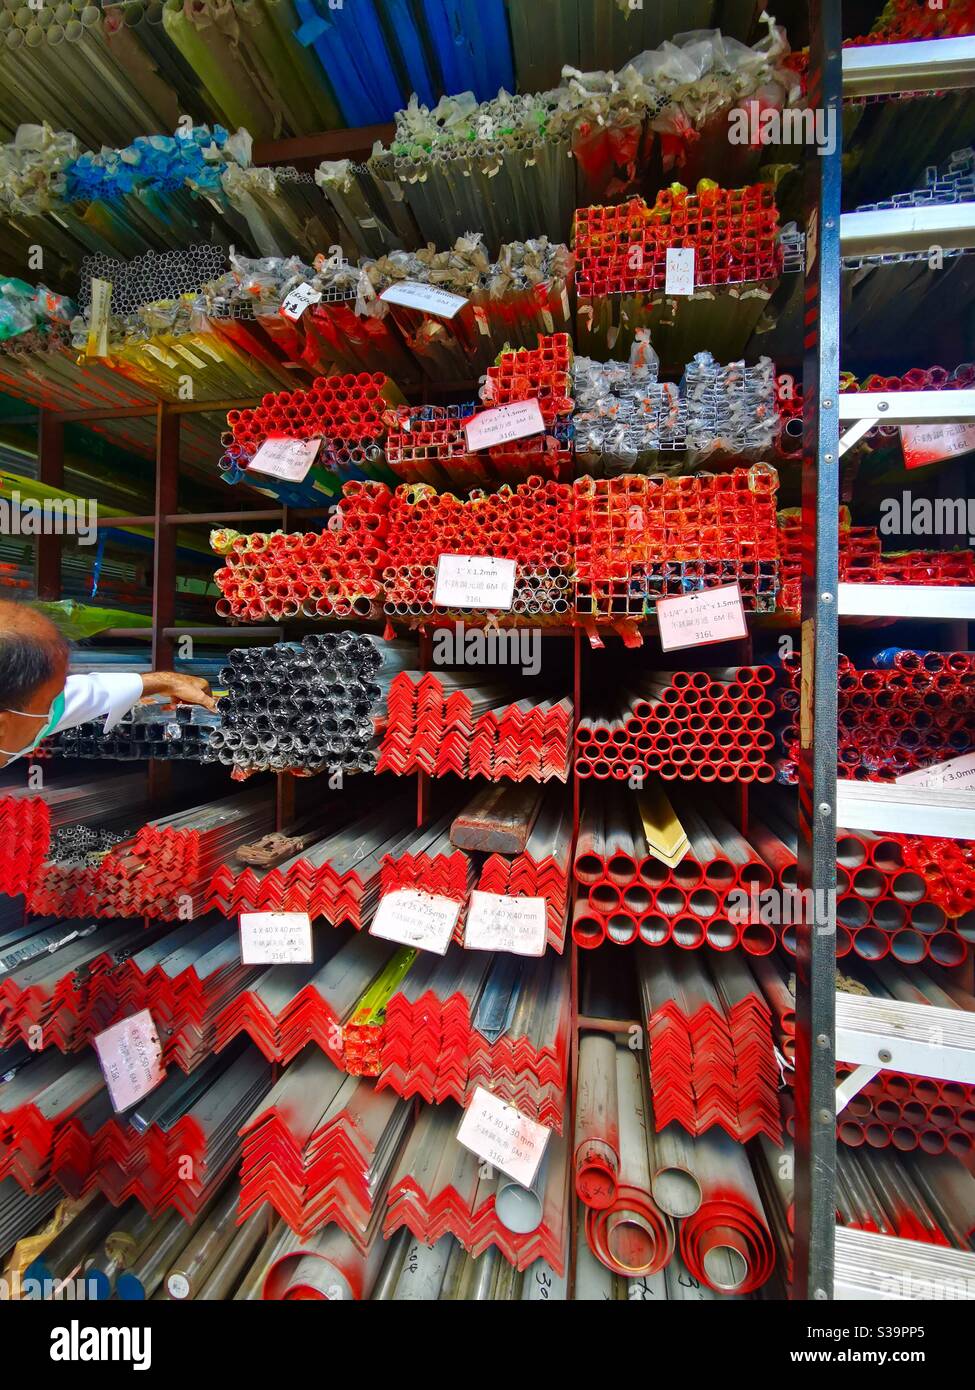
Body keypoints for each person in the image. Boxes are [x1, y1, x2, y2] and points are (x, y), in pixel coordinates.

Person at [0, 599, 217, 768]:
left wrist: (167, 681)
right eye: (53, 699)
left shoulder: (17, 710)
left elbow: (91, 692)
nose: (62, 702)